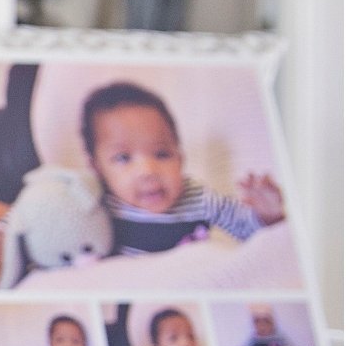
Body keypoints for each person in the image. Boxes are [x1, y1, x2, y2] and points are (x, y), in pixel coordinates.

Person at [80, 81, 284, 257]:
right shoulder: (99, 206)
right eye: (123, 158)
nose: (147, 171)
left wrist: (267, 215)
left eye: (162, 154)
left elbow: (251, 235)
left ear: (180, 158)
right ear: (97, 168)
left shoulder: (199, 199)